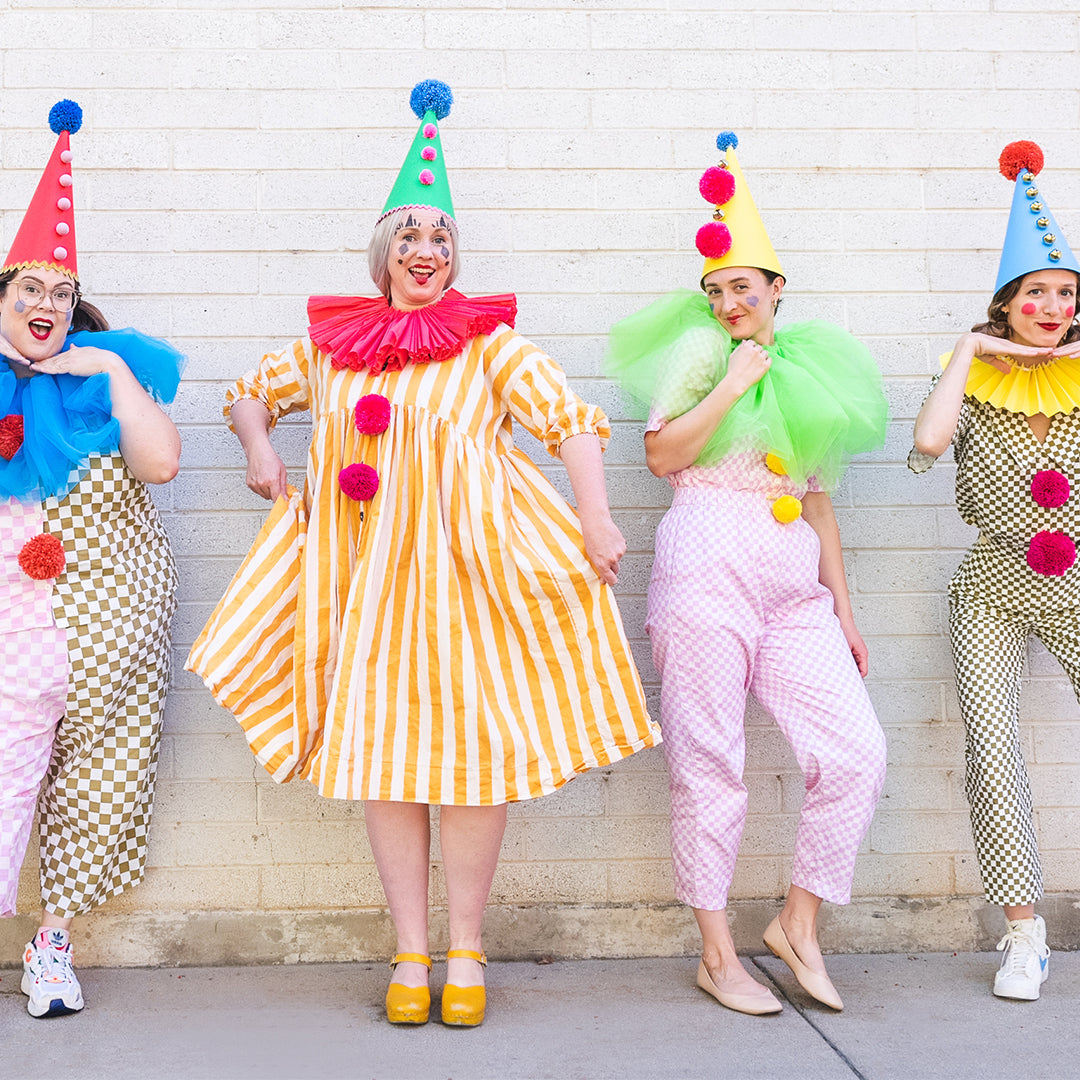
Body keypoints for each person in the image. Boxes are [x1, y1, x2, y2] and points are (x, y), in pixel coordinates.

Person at [188, 81, 658, 1028]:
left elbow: (569, 423)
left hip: (468, 580)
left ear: (455, 256)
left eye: (440, 240)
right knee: (387, 762)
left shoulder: (487, 343)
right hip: (361, 580)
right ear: (384, 252)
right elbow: (247, 393)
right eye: (410, 238)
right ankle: (410, 952)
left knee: (475, 760)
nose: (426, 254)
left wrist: (598, 518)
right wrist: (261, 450)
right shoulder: (333, 346)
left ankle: (468, 947)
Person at [606, 131, 888, 1016]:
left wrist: (842, 609)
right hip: (706, 565)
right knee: (709, 762)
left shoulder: (809, 363)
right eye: (717, 289)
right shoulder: (701, 356)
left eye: (743, 286)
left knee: (856, 753)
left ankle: (798, 923)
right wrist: (731, 384)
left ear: (776, 288)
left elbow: (816, 499)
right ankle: (717, 951)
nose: (730, 301)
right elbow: (660, 456)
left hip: (791, 583)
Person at [0, 101, 183, 1017]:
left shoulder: (110, 372)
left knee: (100, 780)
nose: (47, 306)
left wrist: (108, 377)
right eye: (29, 289)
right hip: (13, 627)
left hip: (113, 623)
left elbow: (162, 463)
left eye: (60, 294)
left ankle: (51, 946)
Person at [910, 140, 1080, 1002]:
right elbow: (931, 442)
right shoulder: (972, 378)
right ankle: (1025, 934)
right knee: (992, 747)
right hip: (993, 583)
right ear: (1007, 304)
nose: (1053, 306)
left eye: (1066, 293)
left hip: (1079, 582)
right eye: (1037, 293)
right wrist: (968, 350)